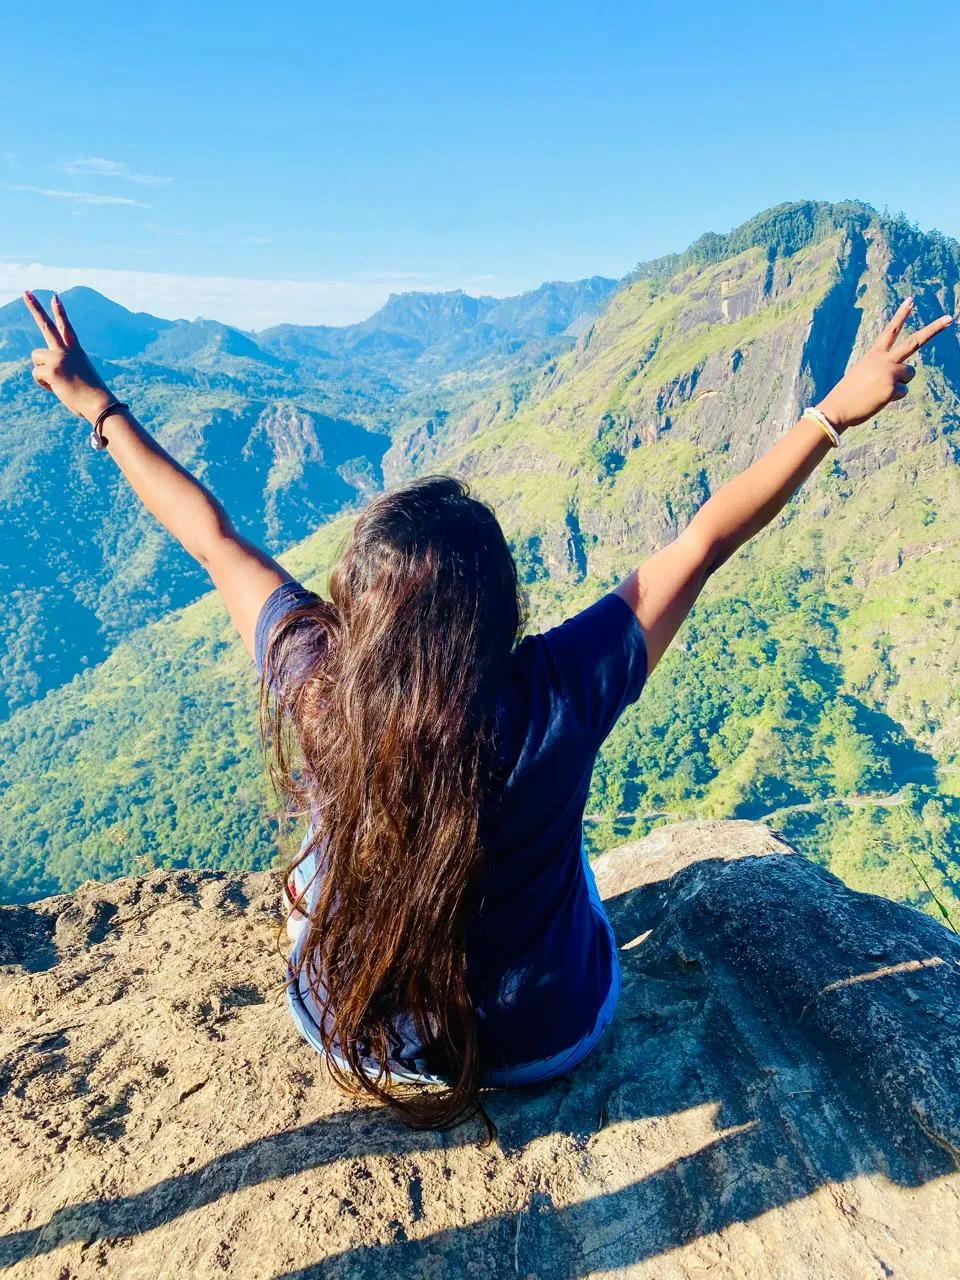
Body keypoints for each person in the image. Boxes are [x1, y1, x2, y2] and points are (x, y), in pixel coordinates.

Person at [23, 288, 953, 1134]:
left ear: (361, 605)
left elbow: (214, 538)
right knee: (565, 845)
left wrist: (95, 406)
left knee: (327, 834)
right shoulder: (560, 689)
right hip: (544, 1036)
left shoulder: (320, 679)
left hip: (355, 1031)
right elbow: (704, 540)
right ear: (500, 611)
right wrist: (833, 411)